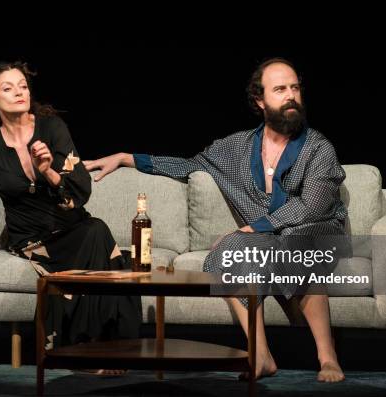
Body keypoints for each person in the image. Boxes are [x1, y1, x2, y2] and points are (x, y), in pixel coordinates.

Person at [84, 57, 348, 382]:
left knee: (293, 242)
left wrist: (254, 227)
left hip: (317, 231)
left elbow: (312, 206)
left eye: (295, 87)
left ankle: (327, 356)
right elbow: (187, 165)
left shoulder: (319, 148)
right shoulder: (236, 148)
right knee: (227, 253)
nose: (291, 95)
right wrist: (127, 159)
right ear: (260, 101)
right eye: (280, 89)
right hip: (266, 239)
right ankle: (260, 355)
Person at [0, 61, 141, 375]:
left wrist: (48, 171)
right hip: (32, 237)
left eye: (22, 86)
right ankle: (87, 349)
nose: (18, 93)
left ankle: (102, 348)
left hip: (72, 224)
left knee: (95, 230)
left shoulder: (51, 128)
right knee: (96, 239)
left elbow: (78, 194)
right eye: (8, 88)